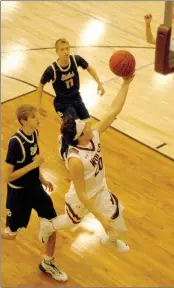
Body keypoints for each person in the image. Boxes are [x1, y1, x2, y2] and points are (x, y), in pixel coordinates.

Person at [38, 74, 135, 253]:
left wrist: (126, 84)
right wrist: (100, 218)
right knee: (70, 222)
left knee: (120, 228)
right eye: (85, 127)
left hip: (100, 190)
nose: (89, 125)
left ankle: (109, 240)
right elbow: (82, 195)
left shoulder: (94, 135)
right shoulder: (75, 160)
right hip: (83, 197)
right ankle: (48, 226)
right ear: (79, 137)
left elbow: (113, 110)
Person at [1, 104, 68, 282]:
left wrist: (42, 179)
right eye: (33, 117)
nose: (37, 119)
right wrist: (33, 165)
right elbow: (7, 177)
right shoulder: (15, 143)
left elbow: (34, 161)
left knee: (52, 224)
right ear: (24, 121)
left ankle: (48, 262)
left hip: (35, 188)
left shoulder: (35, 134)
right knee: (11, 235)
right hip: (18, 194)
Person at [37, 38, 105, 158]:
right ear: (57, 52)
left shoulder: (75, 59)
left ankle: (64, 138)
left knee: (87, 124)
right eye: (62, 49)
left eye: (67, 48)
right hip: (63, 103)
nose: (66, 51)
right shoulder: (52, 69)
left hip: (76, 98)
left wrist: (99, 83)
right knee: (75, 128)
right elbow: (41, 85)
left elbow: (90, 68)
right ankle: (63, 150)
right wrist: (38, 105)